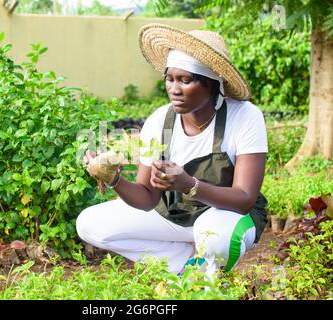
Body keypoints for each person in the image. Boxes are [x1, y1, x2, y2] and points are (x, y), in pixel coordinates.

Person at [76, 23, 268, 278]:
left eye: (185, 80)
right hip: (176, 216)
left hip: (225, 216)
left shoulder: (243, 116)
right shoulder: (160, 122)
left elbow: (244, 198)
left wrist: (189, 184)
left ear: (211, 84)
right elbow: (147, 198)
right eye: (170, 78)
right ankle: (186, 265)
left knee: (215, 240)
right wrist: (114, 179)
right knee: (90, 224)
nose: (174, 89)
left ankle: (206, 278)